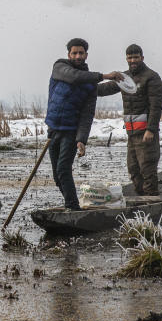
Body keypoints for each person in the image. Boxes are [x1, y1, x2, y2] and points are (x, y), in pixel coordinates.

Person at [45, 38, 125, 210]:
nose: (78, 56)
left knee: (63, 169)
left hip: (70, 132)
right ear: (69, 54)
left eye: (81, 53)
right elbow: (74, 77)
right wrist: (104, 76)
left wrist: (81, 139)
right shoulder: (60, 67)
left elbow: (86, 115)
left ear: (86, 55)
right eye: (74, 53)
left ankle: (72, 208)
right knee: (57, 176)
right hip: (54, 130)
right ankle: (71, 203)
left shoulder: (90, 85)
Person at [98, 43, 162, 196]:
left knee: (147, 168)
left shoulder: (152, 77)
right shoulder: (124, 77)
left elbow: (156, 106)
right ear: (126, 59)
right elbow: (103, 89)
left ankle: (152, 201)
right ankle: (140, 202)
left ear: (142, 57)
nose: (133, 60)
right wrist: (83, 87)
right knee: (133, 170)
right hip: (131, 133)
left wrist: (151, 129)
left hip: (146, 133)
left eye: (136, 57)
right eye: (130, 57)